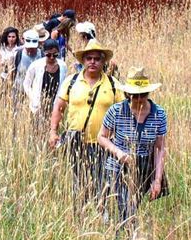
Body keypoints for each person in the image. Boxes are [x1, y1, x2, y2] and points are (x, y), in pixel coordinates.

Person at [49, 40, 122, 205]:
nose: (93, 62)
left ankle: (100, 213)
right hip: (76, 141)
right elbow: (59, 107)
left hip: (104, 143)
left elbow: (123, 113)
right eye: (89, 58)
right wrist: (53, 131)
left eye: (97, 59)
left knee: (102, 181)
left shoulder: (113, 84)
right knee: (78, 180)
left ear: (104, 62)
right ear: (83, 61)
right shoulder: (71, 82)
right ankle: (79, 214)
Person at [98, 67, 167, 229]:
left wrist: (157, 180)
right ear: (128, 94)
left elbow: (159, 148)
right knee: (127, 207)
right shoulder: (116, 111)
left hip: (143, 167)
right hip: (117, 165)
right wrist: (118, 152)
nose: (139, 99)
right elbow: (101, 137)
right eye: (135, 95)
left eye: (143, 95)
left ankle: (122, 237)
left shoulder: (159, 114)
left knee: (133, 205)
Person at [23, 38, 67, 128]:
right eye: (48, 54)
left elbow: (64, 85)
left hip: (55, 106)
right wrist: (33, 99)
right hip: (38, 106)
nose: (51, 57)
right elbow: (26, 84)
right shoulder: (36, 65)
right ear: (44, 52)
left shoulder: (63, 66)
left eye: (55, 55)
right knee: (36, 132)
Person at [10, 29, 43, 110]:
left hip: (36, 92)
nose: (31, 49)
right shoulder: (17, 54)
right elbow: (12, 73)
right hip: (19, 90)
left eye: (33, 47)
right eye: (29, 47)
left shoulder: (42, 55)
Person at [0, 27, 21, 96]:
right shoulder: (2, 47)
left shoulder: (19, 48)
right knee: (4, 93)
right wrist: (1, 63)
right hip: (4, 74)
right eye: (9, 37)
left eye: (13, 37)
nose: (11, 39)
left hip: (16, 75)